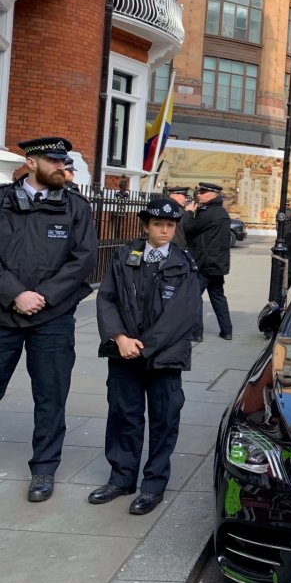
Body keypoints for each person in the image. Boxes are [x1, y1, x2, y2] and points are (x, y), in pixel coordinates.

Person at [0, 137, 97, 502]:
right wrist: (15, 294)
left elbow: (84, 258)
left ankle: (44, 468)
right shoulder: (2, 201)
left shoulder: (76, 207)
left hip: (52, 317)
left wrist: (43, 297)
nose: (62, 167)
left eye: (64, 161)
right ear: (31, 162)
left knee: (51, 396)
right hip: (3, 313)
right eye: (54, 161)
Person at [90, 197, 201, 515]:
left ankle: (153, 485)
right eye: (158, 224)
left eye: (170, 225)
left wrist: (142, 346)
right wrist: (120, 338)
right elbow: (107, 298)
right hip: (125, 353)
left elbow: (183, 315)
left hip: (165, 356)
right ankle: (122, 478)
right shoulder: (126, 255)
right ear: (146, 225)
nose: (164, 230)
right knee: (123, 415)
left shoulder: (184, 263)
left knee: (164, 420)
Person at [184, 182, 232, 341]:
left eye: (202, 192)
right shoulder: (222, 212)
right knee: (218, 297)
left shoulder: (208, 213)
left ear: (212, 195)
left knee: (193, 298)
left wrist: (189, 213)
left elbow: (188, 228)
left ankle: (196, 333)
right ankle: (227, 331)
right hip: (217, 263)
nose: (199, 194)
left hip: (204, 263)